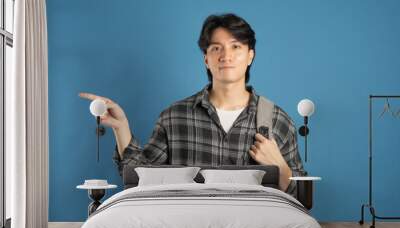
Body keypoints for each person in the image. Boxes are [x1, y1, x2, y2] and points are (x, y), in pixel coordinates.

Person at [80, 13, 305, 196]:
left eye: (235, 47)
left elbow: (303, 201)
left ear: (250, 55)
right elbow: (139, 179)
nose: (226, 55)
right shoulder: (174, 117)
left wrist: (282, 170)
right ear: (206, 58)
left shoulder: (278, 121)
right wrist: (122, 129)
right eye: (216, 48)